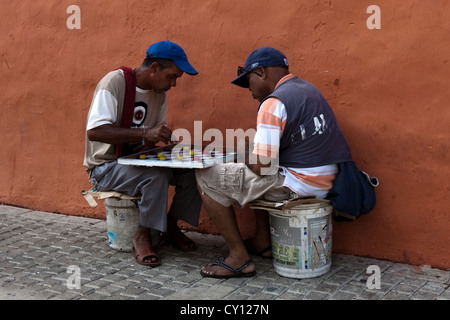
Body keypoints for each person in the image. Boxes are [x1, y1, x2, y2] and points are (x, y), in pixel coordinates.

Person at [195, 47, 353, 278]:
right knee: (250, 168)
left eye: (248, 81)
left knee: (206, 176)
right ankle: (262, 242)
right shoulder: (308, 89)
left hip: (300, 186)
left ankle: (238, 258)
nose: (249, 91)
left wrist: (242, 152)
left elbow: (261, 165)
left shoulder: (274, 102)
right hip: (328, 180)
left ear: (261, 72)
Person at [83, 41, 202, 267]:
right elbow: (94, 131)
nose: (174, 84)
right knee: (156, 176)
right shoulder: (115, 82)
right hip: (105, 166)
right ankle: (142, 236)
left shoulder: (159, 94)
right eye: (171, 77)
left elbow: (147, 137)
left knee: (193, 170)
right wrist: (145, 133)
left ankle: (170, 224)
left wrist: (153, 144)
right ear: (154, 67)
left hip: (134, 162)